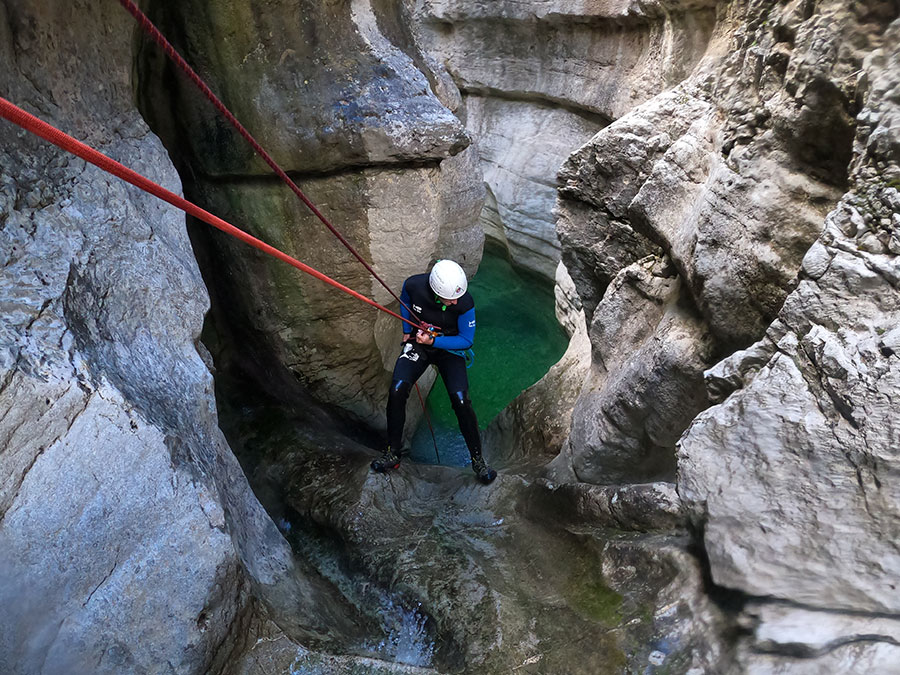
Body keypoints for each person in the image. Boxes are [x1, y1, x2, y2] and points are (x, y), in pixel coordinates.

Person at [371, 259, 497, 483]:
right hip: (421, 344)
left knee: (461, 401)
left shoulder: (465, 302)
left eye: (457, 297)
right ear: (437, 292)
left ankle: (478, 461)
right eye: (451, 298)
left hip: (449, 348)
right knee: (398, 390)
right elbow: (406, 298)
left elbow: (466, 340)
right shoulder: (415, 286)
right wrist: (408, 330)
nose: (455, 301)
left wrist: (434, 342)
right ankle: (393, 452)